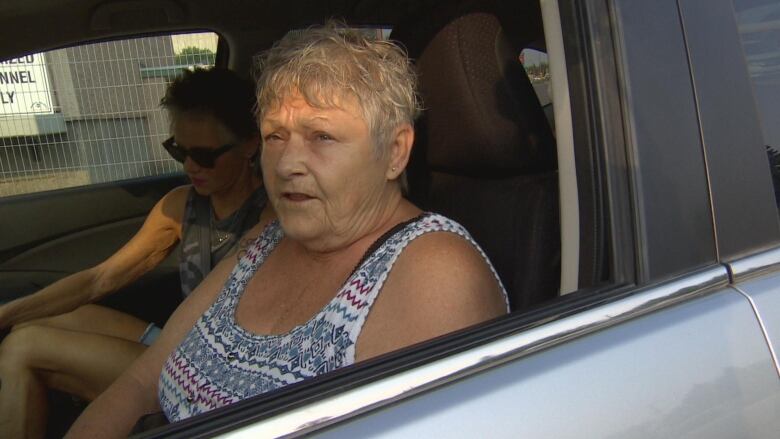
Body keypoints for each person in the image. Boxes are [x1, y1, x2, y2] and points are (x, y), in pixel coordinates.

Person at [66, 23, 509, 438]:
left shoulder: (433, 270)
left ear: (395, 151)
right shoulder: (268, 239)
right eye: (275, 137)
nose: (287, 165)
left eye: (322, 137)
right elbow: (143, 379)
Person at [0, 67, 273, 439]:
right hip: (176, 339)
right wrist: (6, 312)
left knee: (23, 346)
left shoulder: (271, 219)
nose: (190, 166)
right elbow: (100, 279)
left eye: (205, 155)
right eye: (178, 150)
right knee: (30, 322)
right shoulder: (181, 205)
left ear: (250, 145)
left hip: (205, 367)